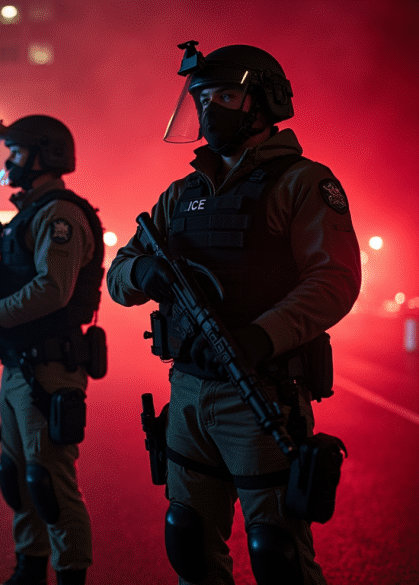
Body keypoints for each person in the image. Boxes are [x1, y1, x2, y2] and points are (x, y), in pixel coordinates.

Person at [106, 41, 361, 585]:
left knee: (277, 552)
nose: (209, 109)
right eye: (201, 99)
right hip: (188, 390)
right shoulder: (181, 193)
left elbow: (335, 281)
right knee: (189, 541)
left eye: (224, 96)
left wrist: (261, 335)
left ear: (262, 102)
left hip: (260, 390)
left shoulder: (301, 182)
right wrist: (141, 272)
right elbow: (118, 274)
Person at [0, 115, 105, 585]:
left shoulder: (59, 214)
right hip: (21, 364)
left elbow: (52, 290)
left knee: (50, 484)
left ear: (45, 155)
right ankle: (30, 567)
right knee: (18, 477)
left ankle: (70, 573)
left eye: (17, 153)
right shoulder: (32, 211)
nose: (10, 163)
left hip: (49, 367)